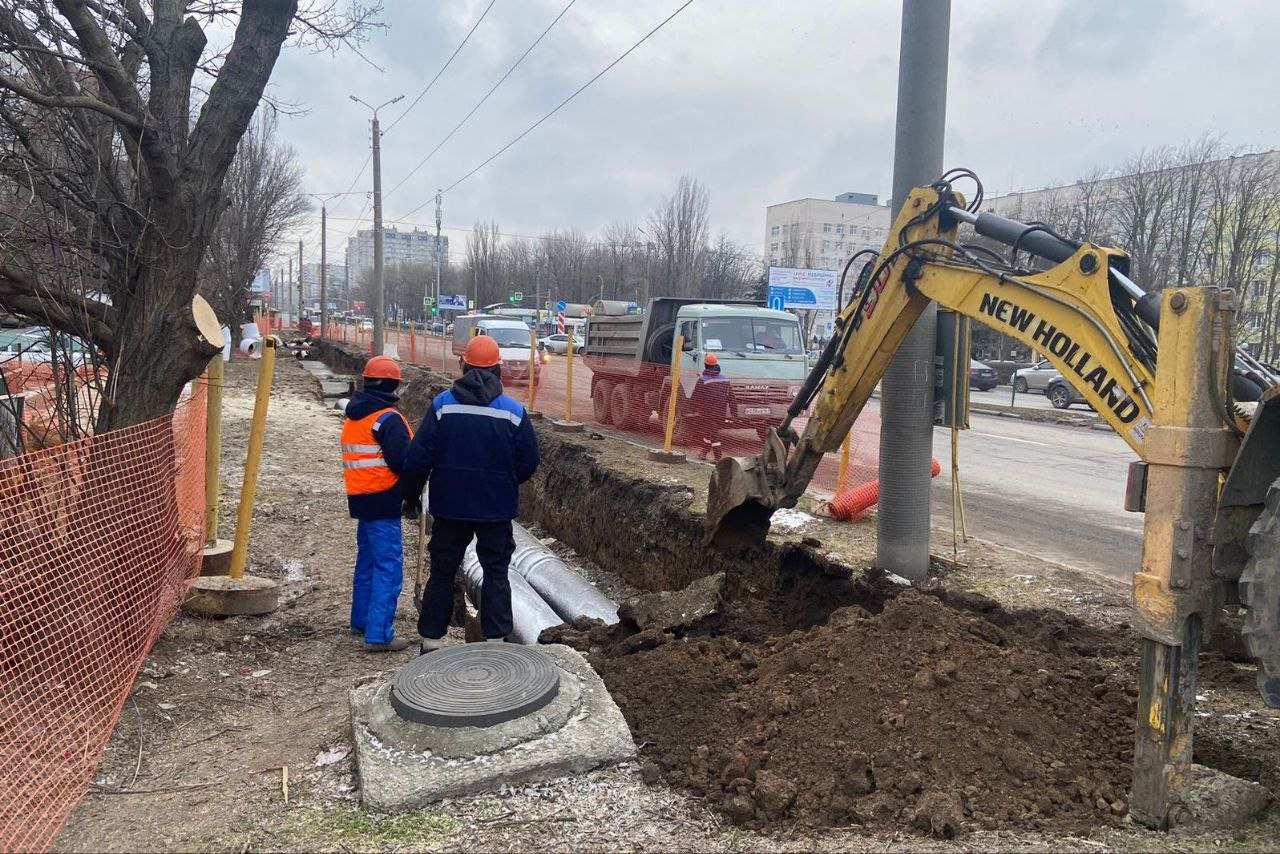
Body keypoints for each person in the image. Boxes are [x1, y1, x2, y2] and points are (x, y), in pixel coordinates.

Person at [400, 335, 540, 653]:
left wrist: (410, 497)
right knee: (496, 573)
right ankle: (495, 641)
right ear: (498, 370)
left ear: (464, 366)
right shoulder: (513, 412)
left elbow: (417, 459)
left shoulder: (442, 406)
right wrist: (504, 482)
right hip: (495, 509)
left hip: (450, 508)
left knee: (443, 571)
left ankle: (432, 642)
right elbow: (529, 461)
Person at [341, 355, 414, 652]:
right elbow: (403, 461)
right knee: (388, 567)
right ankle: (379, 634)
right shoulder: (387, 419)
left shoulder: (355, 414)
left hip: (361, 498)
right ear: (393, 384)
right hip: (384, 500)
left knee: (368, 562)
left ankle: (361, 620)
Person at [689, 353, 731, 461]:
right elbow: (731, 397)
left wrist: (692, 409)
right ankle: (704, 452)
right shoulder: (725, 379)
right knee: (709, 431)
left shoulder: (703, 380)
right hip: (720, 413)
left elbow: (695, 396)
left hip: (707, 413)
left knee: (712, 433)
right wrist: (734, 412)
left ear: (705, 365)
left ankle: (719, 457)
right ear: (717, 365)